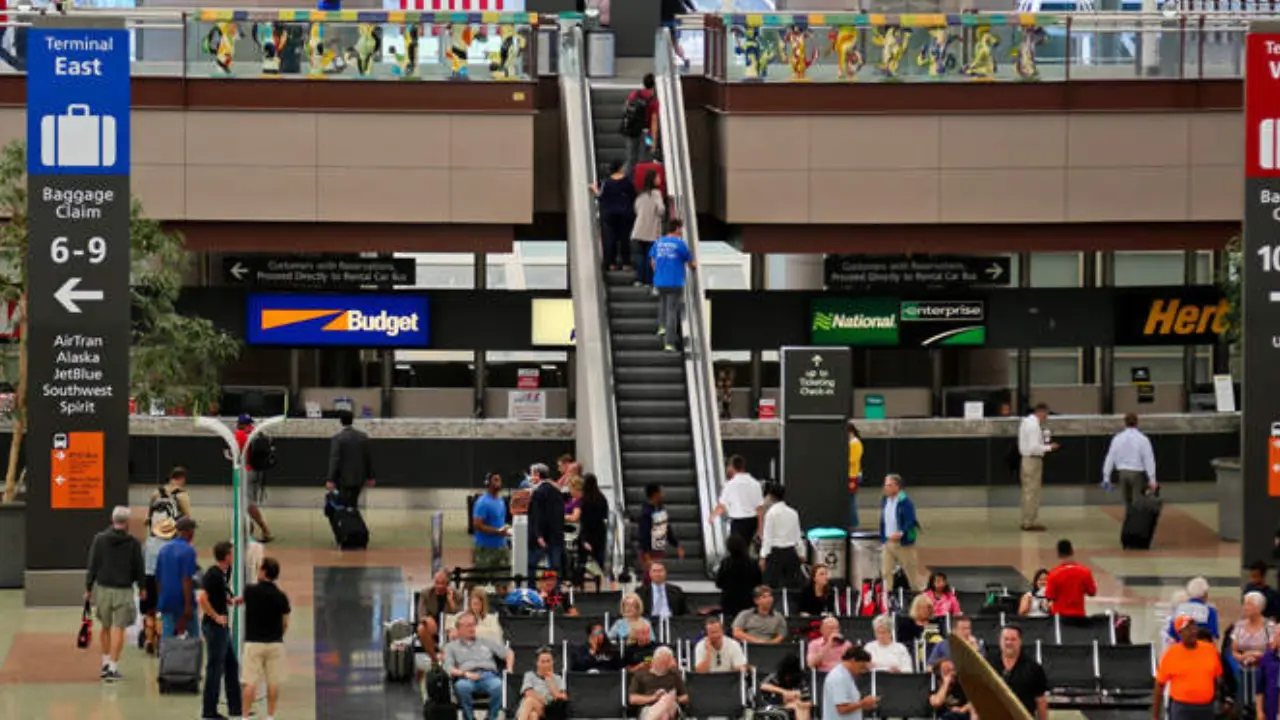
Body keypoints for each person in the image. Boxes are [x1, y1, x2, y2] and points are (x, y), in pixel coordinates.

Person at [84, 506, 145, 682]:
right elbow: (138, 567)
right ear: (127, 523)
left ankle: (104, 662)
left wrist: (88, 588)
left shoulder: (100, 539)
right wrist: (142, 588)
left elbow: (93, 564)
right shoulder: (133, 543)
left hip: (103, 589)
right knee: (119, 628)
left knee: (105, 626)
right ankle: (113, 667)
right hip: (124, 590)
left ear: (112, 520)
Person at [241, 557, 291, 720]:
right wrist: (278, 636)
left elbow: (241, 601)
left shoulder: (250, 591)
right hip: (275, 643)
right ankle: (270, 716)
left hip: (253, 642)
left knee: (250, 682)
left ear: (263, 572)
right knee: (273, 682)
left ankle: (245, 716)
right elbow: (285, 623)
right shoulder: (281, 596)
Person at [199, 541, 243, 720]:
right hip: (215, 627)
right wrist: (216, 616)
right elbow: (202, 599)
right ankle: (209, 711)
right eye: (232, 553)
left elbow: (221, 596)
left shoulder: (225, 574)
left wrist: (233, 601)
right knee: (215, 668)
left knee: (231, 665)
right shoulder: (213, 575)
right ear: (226, 556)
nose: (234, 556)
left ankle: (236, 707)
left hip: (222, 628)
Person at [443, 611, 515, 720]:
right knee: (461, 687)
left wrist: (509, 668)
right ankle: (470, 718)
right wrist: (465, 674)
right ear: (459, 629)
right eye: (468, 626)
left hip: (488, 675)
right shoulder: (451, 647)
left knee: (499, 686)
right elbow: (448, 668)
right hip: (466, 677)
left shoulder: (486, 641)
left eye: (473, 625)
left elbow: (508, 653)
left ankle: (491, 717)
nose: (472, 628)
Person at [1155, 616, 1222, 720]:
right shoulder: (1171, 654)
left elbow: (1218, 678)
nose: (1193, 631)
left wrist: (1219, 701)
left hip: (1206, 708)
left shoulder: (1210, 650)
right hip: (1181, 709)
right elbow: (1159, 685)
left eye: (1194, 628)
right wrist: (1156, 716)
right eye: (1188, 629)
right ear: (1180, 633)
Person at [985, 625, 1048, 720]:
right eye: (1006, 639)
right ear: (1000, 641)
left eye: (1013, 639)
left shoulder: (1033, 668)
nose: (1009, 643)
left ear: (1020, 641)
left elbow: (1041, 701)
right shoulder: (988, 664)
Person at [650, 217, 695, 353]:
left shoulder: (658, 242)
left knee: (662, 304)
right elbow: (690, 263)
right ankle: (669, 344)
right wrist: (695, 266)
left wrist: (658, 274)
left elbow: (653, 262)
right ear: (677, 228)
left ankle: (661, 327)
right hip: (674, 282)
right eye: (681, 228)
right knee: (672, 312)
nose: (682, 231)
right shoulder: (680, 244)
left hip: (660, 281)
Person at [155, 517, 199, 640]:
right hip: (182, 601)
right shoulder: (189, 551)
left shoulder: (163, 550)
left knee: (167, 638)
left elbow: (158, 579)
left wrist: (161, 599)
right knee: (193, 638)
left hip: (167, 600)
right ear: (188, 531)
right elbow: (186, 579)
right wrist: (188, 605)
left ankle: (166, 659)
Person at [232, 417, 275, 543]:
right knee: (247, 502)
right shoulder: (256, 433)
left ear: (239, 424)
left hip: (246, 471)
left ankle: (265, 530)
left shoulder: (239, 434)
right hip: (256, 471)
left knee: (247, 503)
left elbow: (237, 453)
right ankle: (247, 530)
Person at [1017, 403, 1059, 532]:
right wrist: (1049, 447)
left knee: (1028, 491)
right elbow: (1033, 447)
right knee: (1032, 492)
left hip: (1026, 460)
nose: (1046, 418)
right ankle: (1029, 522)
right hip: (1032, 460)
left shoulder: (1025, 422)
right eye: (1046, 414)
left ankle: (1027, 520)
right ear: (1041, 412)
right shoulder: (1034, 425)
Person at [1102, 412, 1158, 506]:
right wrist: (1152, 479)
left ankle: (1129, 518)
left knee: (1126, 502)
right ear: (1137, 423)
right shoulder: (1143, 439)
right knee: (1138, 502)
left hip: (1122, 472)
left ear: (1125, 423)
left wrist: (1106, 477)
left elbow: (1110, 458)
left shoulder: (1117, 438)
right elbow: (1149, 459)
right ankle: (1137, 519)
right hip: (1137, 473)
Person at [879, 473, 921, 591]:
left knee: (910, 571)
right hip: (888, 542)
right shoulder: (885, 500)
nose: (885, 488)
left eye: (889, 485)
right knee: (886, 571)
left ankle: (917, 593)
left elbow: (910, 520)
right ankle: (887, 597)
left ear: (897, 487)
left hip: (902, 543)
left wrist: (901, 533)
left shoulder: (905, 502)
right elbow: (883, 520)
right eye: (885, 485)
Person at [760, 482, 805, 592]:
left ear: (770, 496)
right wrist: (801, 553)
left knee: (772, 588)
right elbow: (797, 536)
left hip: (775, 555)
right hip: (791, 553)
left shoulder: (771, 514)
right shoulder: (793, 512)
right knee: (792, 588)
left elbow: (768, 538)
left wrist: (763, 556)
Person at [592, 160, 636, 271]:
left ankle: (612, 263)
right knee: (624, 238)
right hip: (625, 213)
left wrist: (594, 189)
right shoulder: (627, 182)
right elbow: (633, 195)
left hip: (610, 214)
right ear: (620, 168)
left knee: (611, 238)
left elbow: (601, 197)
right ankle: (626, 263)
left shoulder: (607, 182)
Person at [326, 409, 375, 510]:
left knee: (344, 504)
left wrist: (330, 479)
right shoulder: (363, 437)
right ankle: (354, 519)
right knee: (353, 502)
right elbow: (368, 458)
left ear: (341, 421)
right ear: (352, 420)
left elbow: (335, 459)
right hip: (359, 477)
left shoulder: (338, 438)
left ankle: (348, 522)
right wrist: (371, 477)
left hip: (343, 479)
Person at [140, 516, 175, 655]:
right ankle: (160, 642)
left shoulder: (148, 543)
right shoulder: (171, 546)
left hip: (148, 578)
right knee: (161, 612)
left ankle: (149, 640)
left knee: (149, 611)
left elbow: (142, 560)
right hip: (164, 579)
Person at [711, 455, 765, 544]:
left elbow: (722, 505)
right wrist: (760, 530)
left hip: (737, 523)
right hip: (752, 522)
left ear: (732, 467)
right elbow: (760, 509)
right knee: (748, 547)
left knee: (738, 548)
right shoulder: (755, 484)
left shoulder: (730, 485)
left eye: (728, 466)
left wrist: (712, 516)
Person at [472, 471, 511, 591]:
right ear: (488, 483)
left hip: (501, 548)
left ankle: (503, 606)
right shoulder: (482, 503)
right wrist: (497, 531)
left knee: (503, 581)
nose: (499, 482)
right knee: (478, 582)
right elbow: (477, 525)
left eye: (499, 480)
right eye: (495, 480)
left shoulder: (500, 501)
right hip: (485, 549)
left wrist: (506, 528)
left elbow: (500, 521)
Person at [628, 646, 689, 720]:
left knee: (668, 698)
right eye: (662, 661)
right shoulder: (640, 675)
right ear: (654, 660)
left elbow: (685, 697)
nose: (664, 665)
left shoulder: (674, 674)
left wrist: (673, 699)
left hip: (672, 707)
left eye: (666, 662)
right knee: (664, 716)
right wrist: (654, 698)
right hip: (649, 708)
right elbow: (632, 699)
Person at [527, 468, 567, 580]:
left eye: (532, 475)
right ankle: (555, 594)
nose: (530, 478)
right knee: (555, 569)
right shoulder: (557, 492)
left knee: (531, 566)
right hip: (556, 536)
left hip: (541, 538)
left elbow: (536, 516)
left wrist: (539, 535)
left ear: (538, 475)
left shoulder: (537, 493)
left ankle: (531, 592)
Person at [630, 168, 666, 288]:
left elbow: (636, 209)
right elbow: (661, 210)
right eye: (658, 177)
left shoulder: (641, 194)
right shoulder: (656, 194)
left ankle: (639, 280)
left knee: (640, 257)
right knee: (650, 257)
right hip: (651, 232)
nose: (659, 179)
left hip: (638, 230)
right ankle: (648, 281)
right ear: (653, 180)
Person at [822, 646, 879, 720]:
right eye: (861, 666)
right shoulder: (839, 678)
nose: (861, 671)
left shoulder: (846, 675)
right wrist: (863, 703)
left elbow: (849, 704)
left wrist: (863, 705)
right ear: (853, 660)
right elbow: (842, 709)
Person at [1045, 539, 1096, 617]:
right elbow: (1092, 592)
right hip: (1079, 615)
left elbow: (1050, 596)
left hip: (1060, 617)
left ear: (1058, 554)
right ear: (1072, 551)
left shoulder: (1053, 574)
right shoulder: (1085, 572)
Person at [717, 533, 762, 620]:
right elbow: (759, 582)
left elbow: (719, 583)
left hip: (729, 602)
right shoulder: (752, 563)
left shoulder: (726, 563)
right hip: (749, 602)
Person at [638, 483, 683, 571]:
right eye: (661, 492)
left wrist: (677, 545)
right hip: (650, 551)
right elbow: (644, 534)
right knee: (651, 577)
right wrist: (646, 555)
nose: (663, 494)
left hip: (658, 549)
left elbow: (667, 529)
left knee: (659, 576)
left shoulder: (660, 510)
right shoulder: (646, 514)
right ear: (656, 494)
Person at [620, 73, 659, 172]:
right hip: (646, 135)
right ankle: (642, 183)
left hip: (631, 131)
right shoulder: (653, 101)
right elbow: (654, 123)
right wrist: (653, 143)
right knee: (645, 159)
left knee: (630, 160)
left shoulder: (635, 94)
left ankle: (621, 180)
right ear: (654, 86)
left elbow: (625, 108)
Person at [416, 570, 460, 656]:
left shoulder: (456, 594)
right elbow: (421, 614)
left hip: (449, 627)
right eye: (437, 583)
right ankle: (434, 661)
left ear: (448, 584)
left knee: (456, 633)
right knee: (421, 629)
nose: (439, 586)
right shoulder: (426, 593)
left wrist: (451, 601)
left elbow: (461, 616)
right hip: (432, 626)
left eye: (442, 583)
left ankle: (449, 660)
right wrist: (427, 620)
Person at [575, 473, 610, 580]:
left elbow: (584, 520)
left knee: (584, 560)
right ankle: (600, 578)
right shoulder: (602, 498)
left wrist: (584, 539)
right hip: (600, 531)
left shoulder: (585, 500)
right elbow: (605, 515)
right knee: (599, 558)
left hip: (588, 532)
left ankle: (582, 580)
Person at [757, 653, 813, 720]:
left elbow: (808, 701)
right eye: (787, 676)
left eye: (790, 677)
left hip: (795, 708)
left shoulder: (801, 681)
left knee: (801, 707)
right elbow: (761, 686)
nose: (788, 678)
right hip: (773, 707)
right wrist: (784, 692)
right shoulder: (776, 677)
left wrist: (797, 697)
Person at [517, 647, 568, 720]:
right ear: (537, 663)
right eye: (543, 662)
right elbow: (528, 693)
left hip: (548, 711)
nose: (546, 665)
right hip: (529, 708)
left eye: (548, 661)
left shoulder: (558, 678)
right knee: (533, 714)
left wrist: (551, 685)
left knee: (530, 702)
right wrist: (545, 701)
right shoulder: (529, 675)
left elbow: (563, 697)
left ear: (553, 662)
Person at [1230, 592, 1273, 673]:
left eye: (1249, 604)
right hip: (1243, 671)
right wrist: (1242, 657)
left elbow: (1273, 651)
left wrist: (1257, 655)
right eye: (1244, 604)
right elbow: (1233, 651)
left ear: (1259, 608)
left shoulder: (1269, 626)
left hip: (1265, 671)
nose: (1245, 608)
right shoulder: (1239, 626)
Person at [1167, 577, 1221, 641]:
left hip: (1182, 648)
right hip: (1202, 649)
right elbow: (1213, 635)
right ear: (1205, 594)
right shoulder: (1210, 611)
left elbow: (1172, 633)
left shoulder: (1178, 609)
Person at [148, 465, 192, 530]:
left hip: (156, 532)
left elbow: (149, 516)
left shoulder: (156, 492)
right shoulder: (182, 495)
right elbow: (187, 518)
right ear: (182, 478)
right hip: (172, 534)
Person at [847, 423, 864, 530]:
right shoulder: (851, 443)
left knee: (851, 500)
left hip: (853, 475)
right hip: (850, 474)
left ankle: (853, 523)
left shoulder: (855, 443)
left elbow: (853, 460)